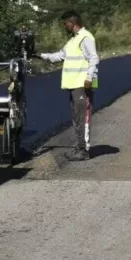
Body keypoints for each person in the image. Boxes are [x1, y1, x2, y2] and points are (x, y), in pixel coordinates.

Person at [39, 10, 99, 161]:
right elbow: (60, 56)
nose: (64, 26)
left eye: (65, 23)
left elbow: (93, 58)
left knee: (83, 118)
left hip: (82, 85)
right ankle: (79, 147)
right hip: (74, 85)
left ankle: (84, 151)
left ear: (72, 23)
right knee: (76, 118)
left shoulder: (86, 37)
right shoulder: (73, 40)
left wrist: (89, 78)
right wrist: (41, 55)